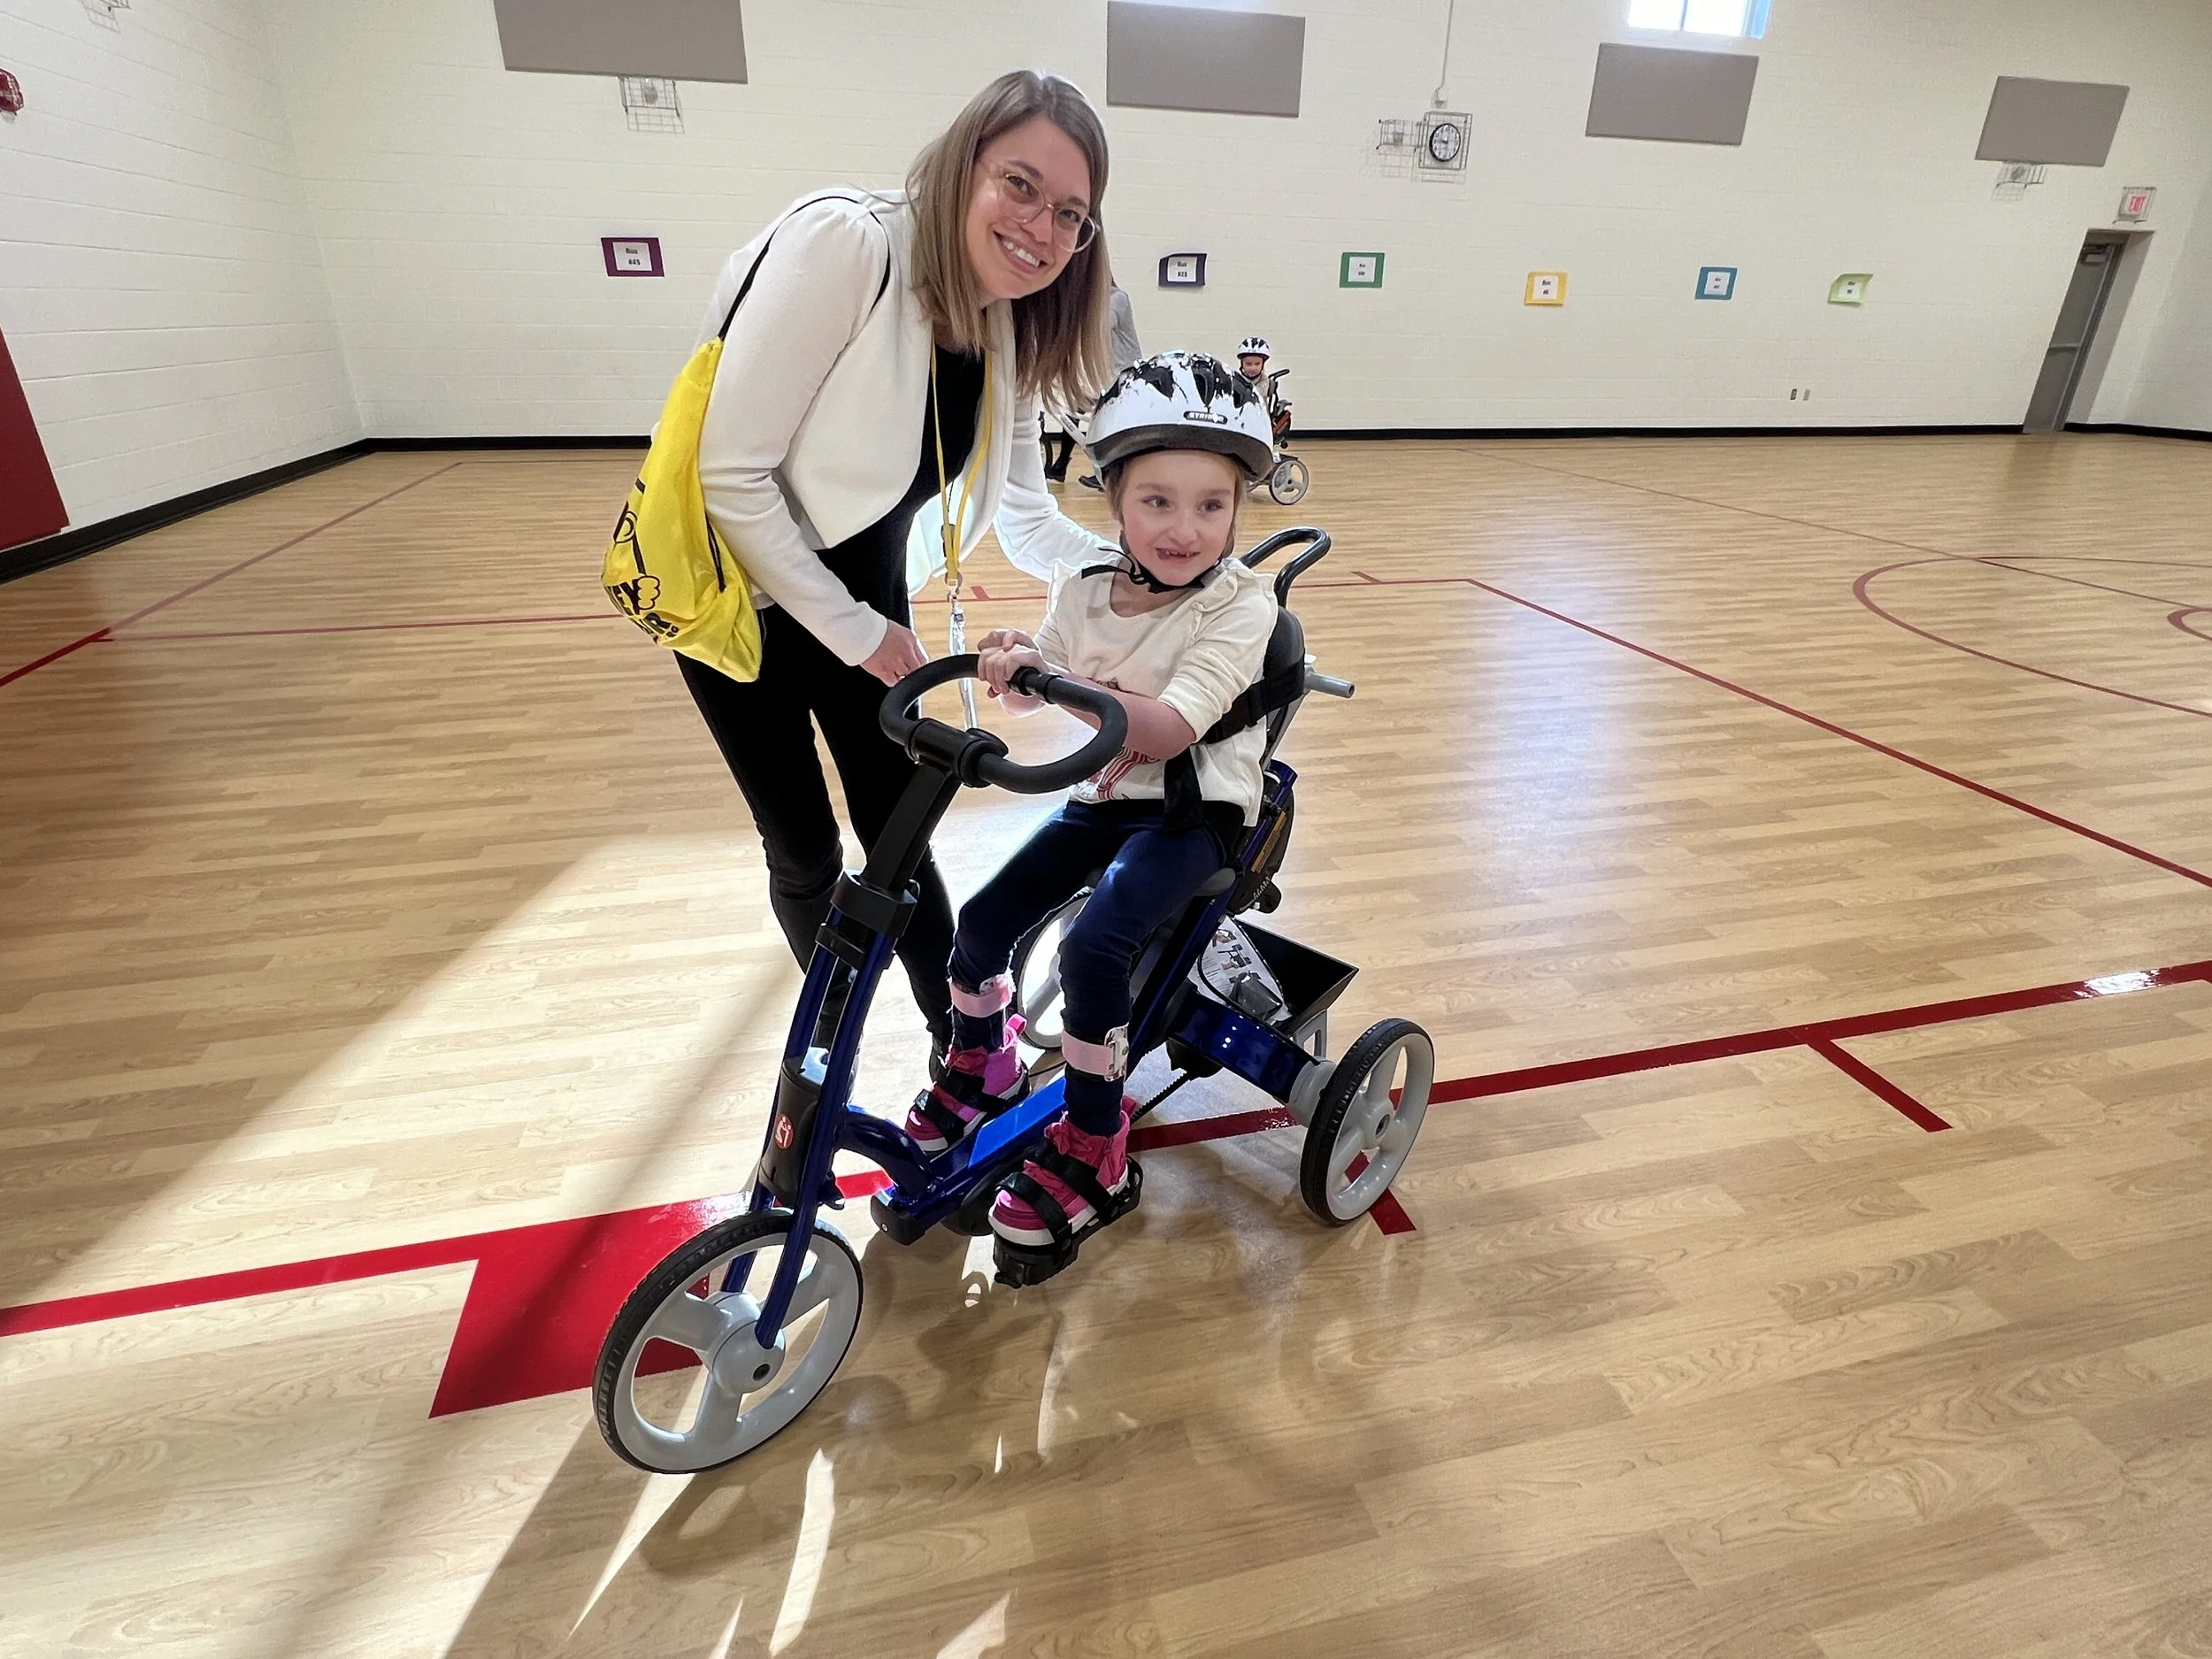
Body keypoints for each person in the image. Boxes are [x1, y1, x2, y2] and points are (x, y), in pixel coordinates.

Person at [683, 71, 1115, 1051]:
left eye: (1070, 214)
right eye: (1019, 184)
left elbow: (1027, 520)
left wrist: (1152, 568)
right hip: (739, 603)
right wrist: (859, 633)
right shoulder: (848, 242)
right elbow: (728, 475)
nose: (1040, 228)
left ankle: (965, 1045)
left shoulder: (1000, 319)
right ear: (964, 164)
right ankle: (828, 1053)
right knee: (800, 850)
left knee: (900, 843)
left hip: (866, 612)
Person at [901, 352, 1279, 1262]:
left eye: (1210, 505)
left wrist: (1058, 679)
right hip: (1104, 801)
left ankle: (1097, 1138)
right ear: (1113, 501)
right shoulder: (1081, 590)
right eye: (1156, 501)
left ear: (1236, 509)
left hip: (1192, 814)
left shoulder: (1241, 605)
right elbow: (1036, 690)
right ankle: (981, 1063)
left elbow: (1165, 731)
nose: (1183, 528)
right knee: (983, 922)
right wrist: (1012, 658)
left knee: (1094, 946)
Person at [1073, 286, 1144, 491]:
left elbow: (1100, 327)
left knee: (1112, 429)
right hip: (1111, 375)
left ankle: (1112, 475)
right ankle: (1106, 475)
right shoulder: (1098, 302)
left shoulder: (1118, 298)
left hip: (1126, 375)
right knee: (1102, 427)